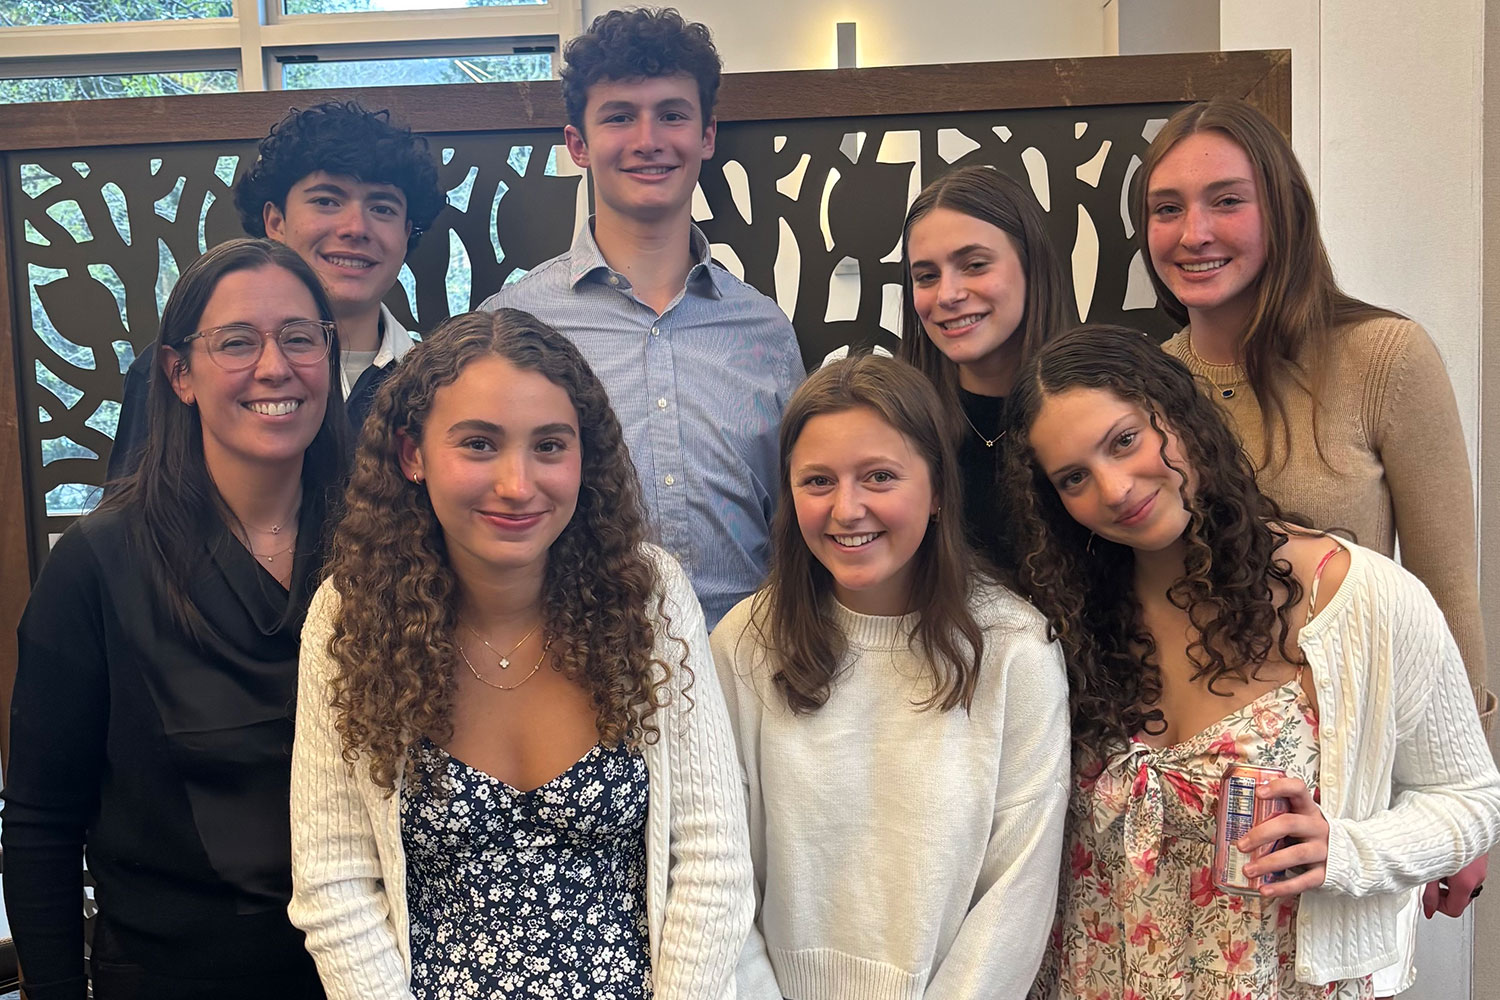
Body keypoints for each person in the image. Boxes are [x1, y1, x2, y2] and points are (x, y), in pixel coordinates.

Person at [1004, 325, 1500, 1000]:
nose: (1114, 489)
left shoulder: (1356, 600)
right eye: (1074, 478)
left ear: (1180, 415)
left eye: (1124, 440)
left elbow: (1469, 798)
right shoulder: (1065, 629)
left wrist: (1345, 850)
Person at [289, 308, 755, 999]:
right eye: (479, 444)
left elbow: (712, 863)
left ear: (584, 456)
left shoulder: (649, 596)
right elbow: (335, 885)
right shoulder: (351, 611)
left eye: (549, 446)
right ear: (412, 454)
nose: (517, 483)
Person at [1134, 96, 1493, 992]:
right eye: (1167, 208)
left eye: (1226, 200)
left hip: (1348, 792)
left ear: (1284, 209)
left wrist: (1468, 803)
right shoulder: (1150, 386)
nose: (1193, 232)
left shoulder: (1383, 359)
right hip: (1188, 817)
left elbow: (1448, 592)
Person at [4, 238, 349, 1000]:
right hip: (169, 977)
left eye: (300, 337)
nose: (275, 367)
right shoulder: (98, 564)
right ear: (179, 373)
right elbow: (40, 821)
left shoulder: (386, 549)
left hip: (365, 969)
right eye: (237, 342)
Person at [711, 354, 1069, 999]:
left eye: (879, 476)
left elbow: (1018, 890)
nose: (847, 508)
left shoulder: (1015, 650)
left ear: (938, 492)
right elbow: (717, 869)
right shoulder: (745, 642)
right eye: (818, 481)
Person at [478, 7, 804, 629]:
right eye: (620, 116)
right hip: (573, 663)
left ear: (706, 136)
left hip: (749, 664)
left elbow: (797, 518)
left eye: (672, 115)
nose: (648, 139)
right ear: (578, 144)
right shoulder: (514, 324)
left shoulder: (764, 332)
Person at [108, 100, 447, 477]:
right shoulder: (186, 368)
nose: (355, 228)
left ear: (406, 233)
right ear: (275, 221)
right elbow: (138, 509)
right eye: (326, 201)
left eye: (382, 208)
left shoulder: (440, 380)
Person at [897, 164, 1068, 572]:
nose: (948, 294)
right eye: (927, 276)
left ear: (1031, 265)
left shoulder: (1101, 406)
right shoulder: (901, 425)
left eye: (974, 265)